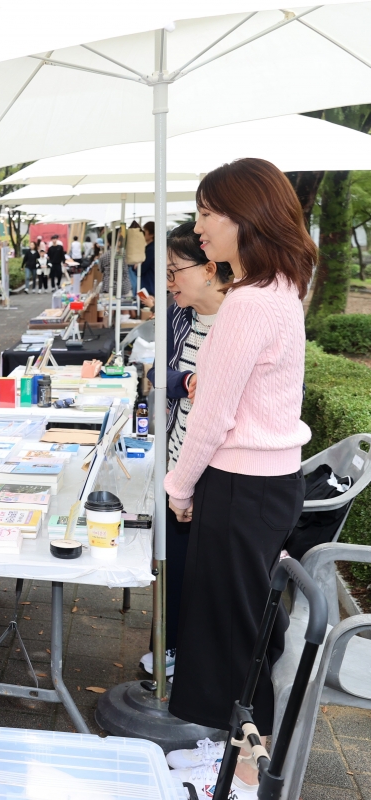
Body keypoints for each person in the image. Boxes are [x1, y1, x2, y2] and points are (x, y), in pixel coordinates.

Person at [162, 159, 314, 798]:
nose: (199, 229)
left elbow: (211, 415)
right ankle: (232, 756)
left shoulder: (250, 303)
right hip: (267, 483)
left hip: (240, 482)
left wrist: (178, 484)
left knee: (228, 631)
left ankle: (234, 768)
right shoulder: (280, 288)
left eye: (205, 213)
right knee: (244, 627)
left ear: (242, 216)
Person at [138, 222, 231, 681]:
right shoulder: (182, 318)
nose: (168, 282)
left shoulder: (239, 321)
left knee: (201, 577)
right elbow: (161, 375)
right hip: (178, 461)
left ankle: (189, 663)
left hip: (213, 474)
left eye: (175, 270)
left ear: (211, 269)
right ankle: (169, 647)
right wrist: (187, 382)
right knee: (172, 566)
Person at [139, 220, 157, 301]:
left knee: (146, 306)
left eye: (144, 231)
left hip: (148, 285)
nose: (142, 233)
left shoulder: (151, 250)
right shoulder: (150, 248)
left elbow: (142, 269)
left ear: (151, 234)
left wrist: (137, 265)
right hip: (149, 283)